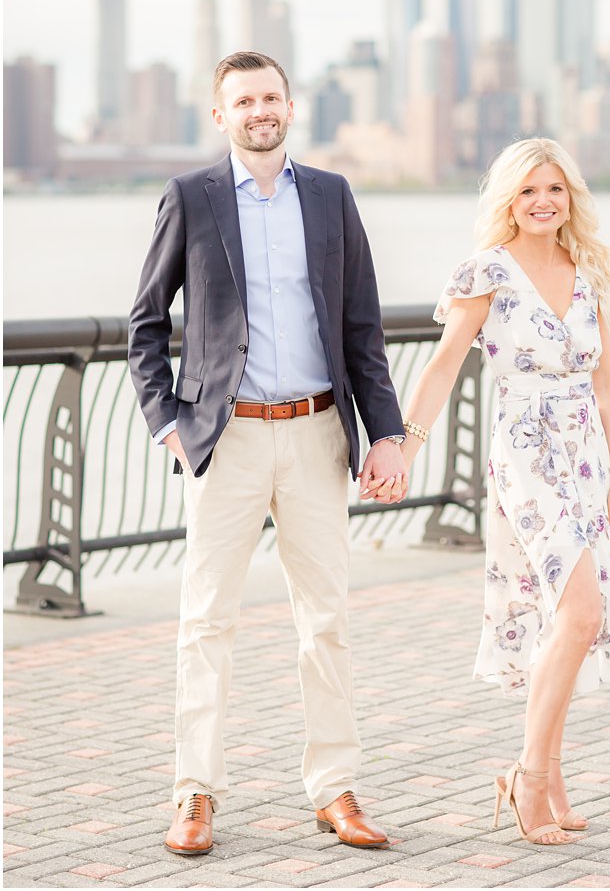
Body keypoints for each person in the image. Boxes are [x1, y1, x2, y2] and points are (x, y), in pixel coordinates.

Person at [128, 51, 407, 856]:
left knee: (327, 621)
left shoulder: (329, 195)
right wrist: (169, 425)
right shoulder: (190, 198)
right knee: (205, 621)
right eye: (244, 100)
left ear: (291, 105)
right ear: (220, 115)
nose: (261, 110)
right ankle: (194, 795)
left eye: (271, 96)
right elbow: (146, 324)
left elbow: (363, 327)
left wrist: (383, 433)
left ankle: (336, 791)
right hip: (227, 440)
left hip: (319, 432)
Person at [390, 137, 610, 847]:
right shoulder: (488, 273)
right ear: (508, 198)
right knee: (580, 610)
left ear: (571, 199)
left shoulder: (585, 272)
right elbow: (442, 367)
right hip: (527, 452)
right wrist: (406, 446)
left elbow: (609, 386)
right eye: (528, 190)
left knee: (570, 617)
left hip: (586, 456)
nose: (542, 202)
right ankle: (529, 776)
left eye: (555, 189)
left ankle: (549, 773)